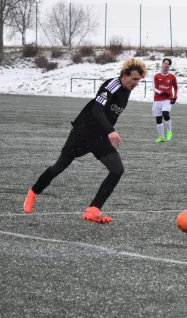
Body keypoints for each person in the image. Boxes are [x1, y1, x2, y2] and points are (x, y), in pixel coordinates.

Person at [23, 58, 147, 224]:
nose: (136, 83)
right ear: (124, 75)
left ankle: (93, 209)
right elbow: (97, 109)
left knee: (117, 169)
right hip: (83, 132)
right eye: (134, 79)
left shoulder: (127, 89)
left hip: (100, 137)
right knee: (59, 167)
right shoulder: (112, 85)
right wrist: (111, 130)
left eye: (139, 80)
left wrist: (107, 131)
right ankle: (33, 193)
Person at [153, 58, 178, 142]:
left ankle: (169, 131)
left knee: (165, 113)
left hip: (167, 99)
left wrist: (175, 97)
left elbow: (176, 87)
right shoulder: (156, 76)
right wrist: (161, 92)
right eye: (165, 63)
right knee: (158, 118)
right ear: (162, 64)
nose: (166, 65)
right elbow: (154, 88)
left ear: (170, 66)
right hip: (157, 99)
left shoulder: (172, 76)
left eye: (168, 64)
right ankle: (161, 137)